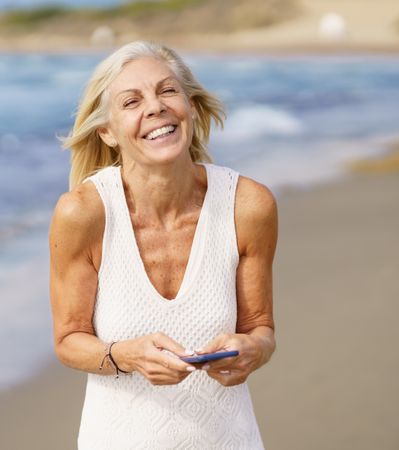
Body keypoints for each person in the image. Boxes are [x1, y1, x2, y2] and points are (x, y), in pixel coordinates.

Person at [49, 41, 277, 449]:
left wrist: (252, 349)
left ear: (190, 106)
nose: (155, 107)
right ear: (108, 132)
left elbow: (260, 329)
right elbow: (68, 341)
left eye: (167, 91)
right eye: (131, 101)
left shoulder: (248, 205)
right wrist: (127, 355)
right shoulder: (83, 214)